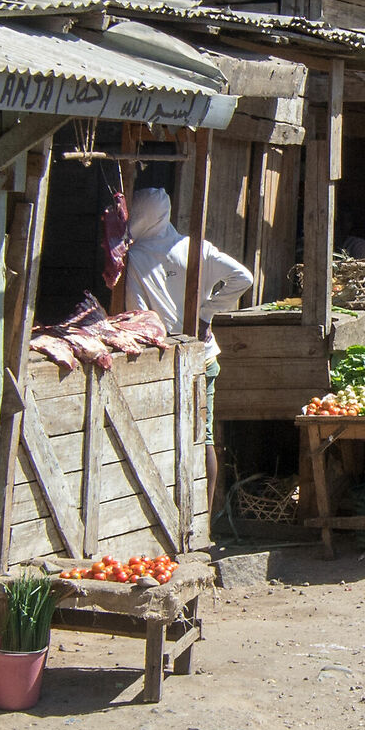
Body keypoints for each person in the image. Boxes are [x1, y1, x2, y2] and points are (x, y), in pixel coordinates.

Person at [122, 186, 254, 509]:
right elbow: (244, 277)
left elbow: (135, 314)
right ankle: (203, 523)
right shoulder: (196, 248)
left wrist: (203, 313)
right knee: (202, 437)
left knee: (168, 439)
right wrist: (205, 313)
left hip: (163, 361)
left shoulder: (136, 257)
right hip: (204, 357)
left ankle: (184, 519)